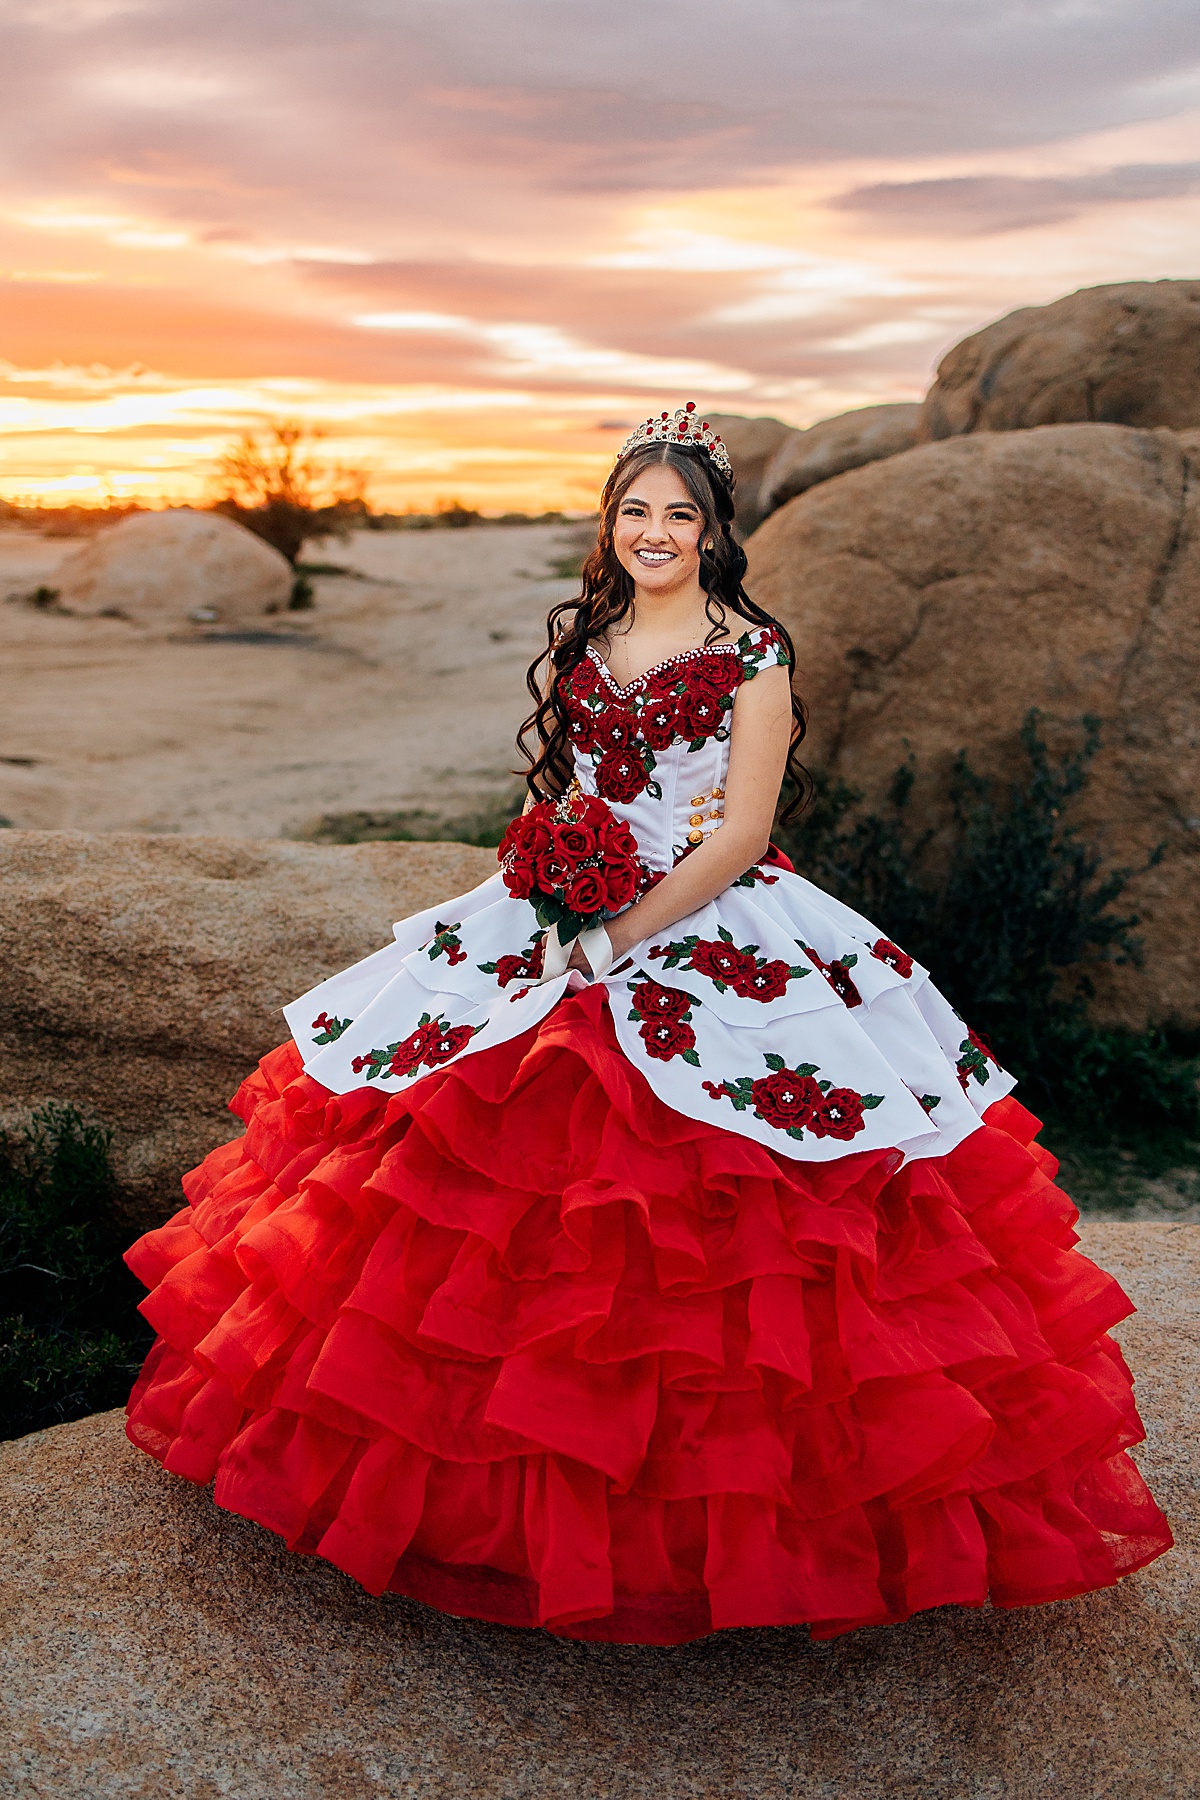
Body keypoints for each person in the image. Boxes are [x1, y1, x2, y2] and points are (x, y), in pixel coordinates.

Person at [125, 405, 1171, 1644]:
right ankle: (459, 1491)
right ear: (610, 523)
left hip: (705, 911)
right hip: (563, 900)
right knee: (447, 1143)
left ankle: (723, 1529)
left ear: (716, 530)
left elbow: (739, 833)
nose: (655, 532)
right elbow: (571, 779)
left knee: (738, 1184)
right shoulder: (600, 630)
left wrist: (617, 936)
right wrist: (554, 863)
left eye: (680, 514)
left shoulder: (755, 650)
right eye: (636, 511)